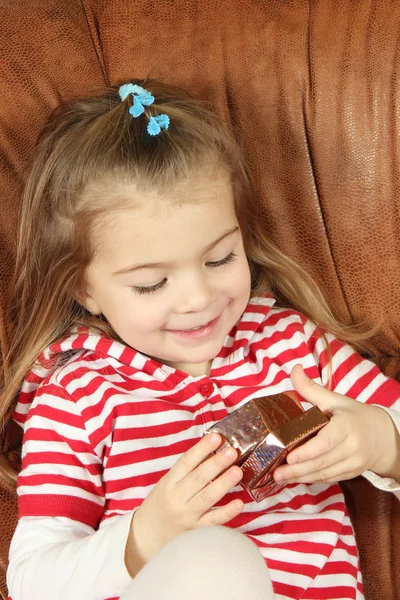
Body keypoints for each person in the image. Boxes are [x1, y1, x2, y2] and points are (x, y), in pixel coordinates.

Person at [1, 79, 400, 600]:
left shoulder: (289, 343)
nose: (198, 298)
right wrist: (149, 533)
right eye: (151, 283)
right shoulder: (77, 394)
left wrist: (379, 441)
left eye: (219, 259)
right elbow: (32, 581)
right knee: (216, 562)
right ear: (85, 288)